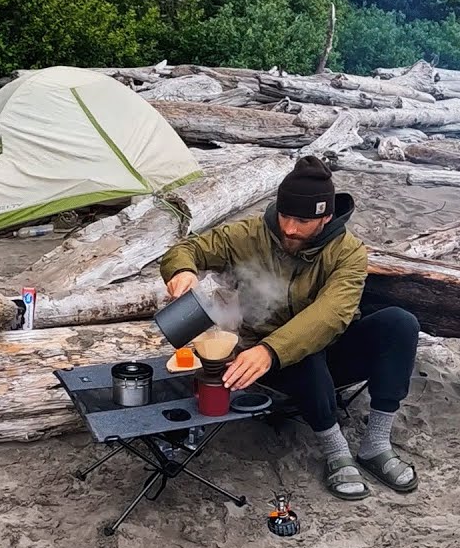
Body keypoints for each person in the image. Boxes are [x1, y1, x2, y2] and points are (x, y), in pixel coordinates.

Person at [159, 156, 420, 500]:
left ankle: (375, 444)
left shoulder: (348, 253)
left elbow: (330, 315)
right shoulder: (250, 234)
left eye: (302, 220)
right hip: (261, 363)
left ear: (326, 217)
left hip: (306, 352)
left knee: (400, 324)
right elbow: (187, 249)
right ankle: (336, 449)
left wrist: (270, 351)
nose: (290, 229)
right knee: (302, 353)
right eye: (285, 215)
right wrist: (182, 271)